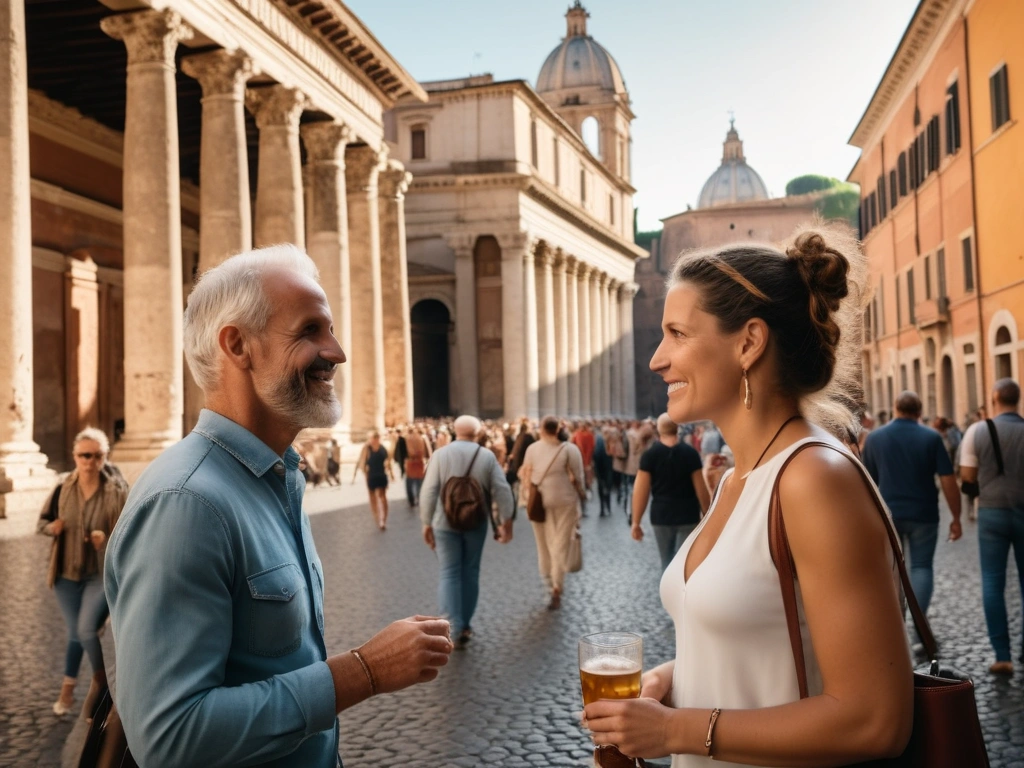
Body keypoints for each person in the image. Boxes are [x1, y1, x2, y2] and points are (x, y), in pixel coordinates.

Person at [104, 245, 452, 767]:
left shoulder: (273, 478)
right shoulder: (186, 504)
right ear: (238, 344)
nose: (336, 351)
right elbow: (170, 739)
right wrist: (365, 671)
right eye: (311, 329)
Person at [583, 226, 913, 764]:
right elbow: (761, 653)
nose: (656, 359)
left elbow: (875, 720)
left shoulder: (814, 479)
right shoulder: (737, 477)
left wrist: (674, 733)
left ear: (748, 343)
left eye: (678, 334)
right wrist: (667, 685)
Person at [37, 427, 127, 718]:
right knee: (77, 632)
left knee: (85, 629)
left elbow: (128, 533)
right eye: (84, 455)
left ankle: (100, 682)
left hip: (99, 575)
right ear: (75, 457)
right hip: (65, 574)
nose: (90, 461)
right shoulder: (62, 488)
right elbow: (41, 524)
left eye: (97, 455)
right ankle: (69, 689)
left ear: (105, 457)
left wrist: (108, 539)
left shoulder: (117, 490)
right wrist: (53, 528)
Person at [863, 391, 962, 620]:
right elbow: (948, 480)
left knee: (893, 570)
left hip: (888, 515)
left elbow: (867, 481)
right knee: (921, 567)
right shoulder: (931, 437)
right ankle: (920, 630)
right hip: (924, 513)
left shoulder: (875, 439)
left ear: (895, 409)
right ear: (919, 412)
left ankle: (897, 629)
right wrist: (956, 518)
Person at [419, 415, 515, 648]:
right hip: (476, 522)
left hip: (444, 523)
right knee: (470, 572)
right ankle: (465, 626)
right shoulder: (486, 456)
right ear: (478, 431)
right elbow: (502, 490)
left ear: (455, 430)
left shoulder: (440, 454)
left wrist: (426, 522)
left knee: (449, 573)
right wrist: (507, 520)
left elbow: (429, 491)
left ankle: (450, 624)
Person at [959, 378, 1024, 674]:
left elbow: (968, 476)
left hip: (991, 513)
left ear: (995, 399)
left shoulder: (977, 431)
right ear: (1017, 400)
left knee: (993, 584)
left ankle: (1003, 656)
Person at [520, 415, 586, 610]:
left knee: (543, 545)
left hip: (539, 501)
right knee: (560, 543)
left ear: (541, 429)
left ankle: (548, 585)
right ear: (558, 430)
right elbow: (579, 476)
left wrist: (526, 498)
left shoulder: (532, 449)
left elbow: (525, 475)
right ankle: (557, 585)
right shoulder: (570, 449)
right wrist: (582, 494)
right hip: (565, 500)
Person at [631, 414, 710, 570]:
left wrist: (636, 522)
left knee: (666, 563)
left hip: (661, 514)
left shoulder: (650, 456)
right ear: (677, 428)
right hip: (688, 514)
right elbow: (701, 489)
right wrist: (708, 516)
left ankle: (666, 593)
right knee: (684, 564)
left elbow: (641, 491)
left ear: (659, 430)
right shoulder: (690, 454)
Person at [354, 431, 394, 530]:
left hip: (374, 476)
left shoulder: (368, 448)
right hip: (379, 476)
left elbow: (362, 464)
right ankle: (382, 520)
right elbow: (388, 462)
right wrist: (391, 474)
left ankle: (379, 519)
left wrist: (365, 474)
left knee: (376, 499)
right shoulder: (382, 448)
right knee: (381, 497)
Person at [403, 426, 431, 508]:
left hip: (410, 462)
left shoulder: (406, 438)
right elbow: (429, 451)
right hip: (420, 462)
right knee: (420, 483)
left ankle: (411, 500)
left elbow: (402, 453)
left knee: (409, 483)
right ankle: (420, 499)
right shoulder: (423, 438)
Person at [593, 426, 614, 517]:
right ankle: (604, 507)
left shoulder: (610, 441)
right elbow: (596, 454)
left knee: (605, 487)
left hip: (606, 468)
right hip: (603, 468)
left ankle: (606, 507)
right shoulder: (600, 441)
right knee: (603, 487)